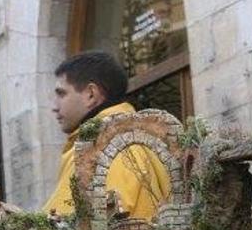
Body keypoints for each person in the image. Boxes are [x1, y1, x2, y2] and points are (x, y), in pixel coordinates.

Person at [43, 50, 170, 220]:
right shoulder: (133, 134)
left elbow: (72, 229)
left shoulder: (105, 146)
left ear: (91, 94)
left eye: (61, 94)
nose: (54, 106)